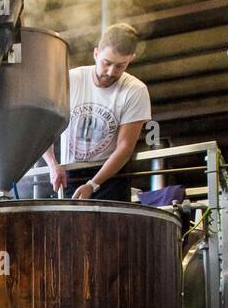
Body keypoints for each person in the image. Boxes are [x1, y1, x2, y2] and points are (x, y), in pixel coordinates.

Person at [43, 22, 150, 201]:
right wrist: (53, 165)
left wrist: (93, 184)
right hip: (71, 173)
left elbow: (125, 147)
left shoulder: (135, 90)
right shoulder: (70, 80)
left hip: (111, 177)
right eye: (106, 63)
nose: (110, 72)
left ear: (130, 59)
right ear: (96, 53)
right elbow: (43, 128)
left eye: (120, 66)